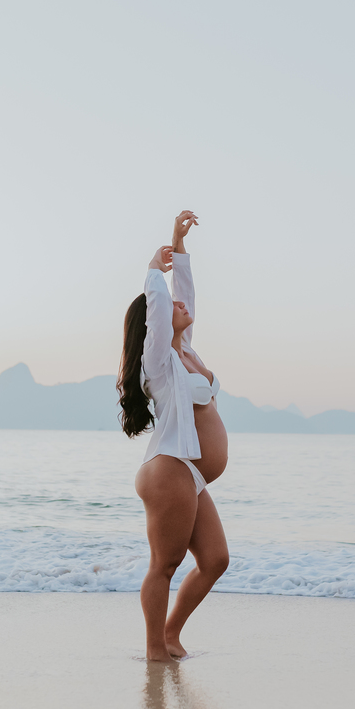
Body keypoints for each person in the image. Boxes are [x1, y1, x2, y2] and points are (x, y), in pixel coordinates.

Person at [117, 210, 230, 662]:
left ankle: (170, 634)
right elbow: (163, 304)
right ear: (154, 328)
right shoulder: (159, 366)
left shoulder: (187, 352)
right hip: (169, 469)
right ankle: (153, 651)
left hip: (190, 476)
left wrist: (178, 247)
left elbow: (184, 298)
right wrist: (152, 269)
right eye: (169, 310)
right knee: (165, 565)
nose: (182, 308)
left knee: (216, 560)